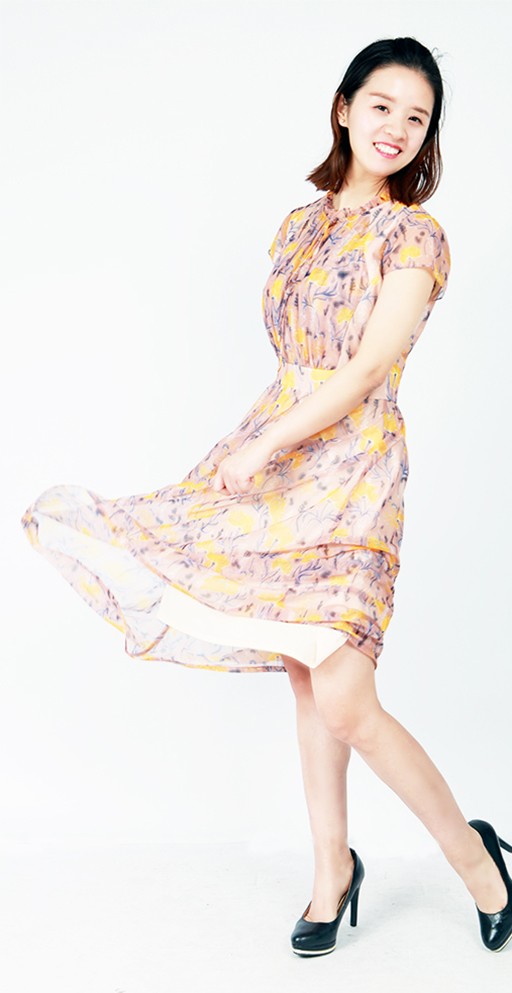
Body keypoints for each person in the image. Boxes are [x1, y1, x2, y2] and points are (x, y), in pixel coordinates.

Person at [20, 36, 511, 956]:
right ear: (344, 108)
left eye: (417, 117)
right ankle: (332, 870)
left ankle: (478, 860)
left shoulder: (415, 237)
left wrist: (268, 443)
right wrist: (257, 447)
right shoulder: (297, 226)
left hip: (354, 471)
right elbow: (294, 360)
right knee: (307, 677)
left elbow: (367, 369)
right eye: (382, 106)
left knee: (348, 697)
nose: (398, 128)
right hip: (279, 461)